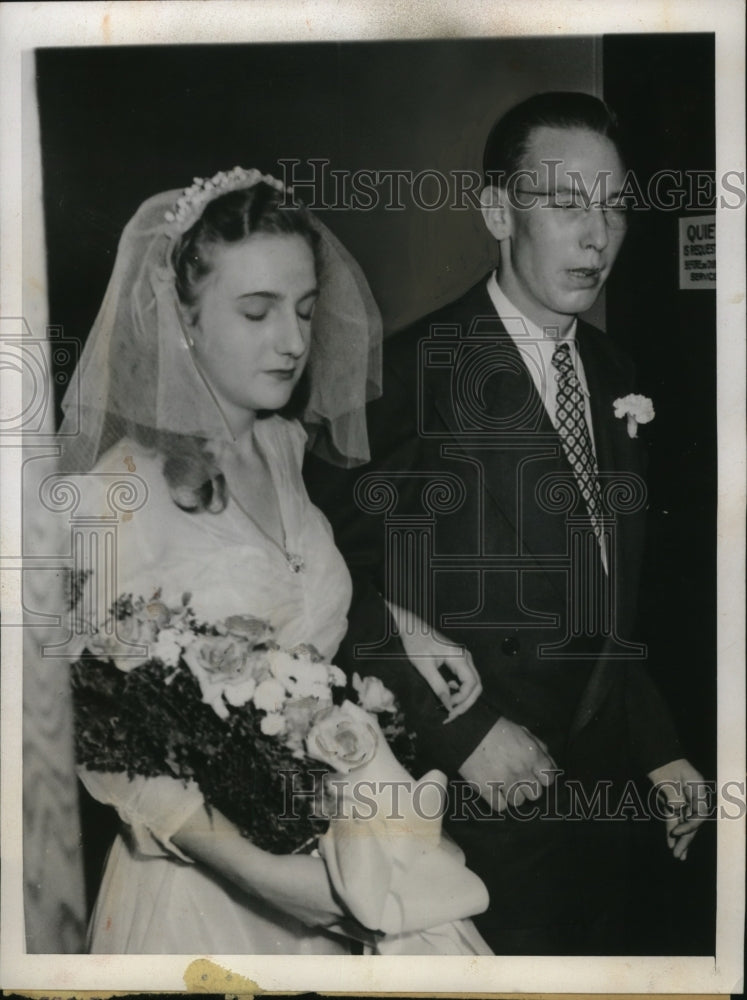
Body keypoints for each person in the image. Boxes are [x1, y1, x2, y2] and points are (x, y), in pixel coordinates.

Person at [304, 92, 707, 954]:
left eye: (613, 206)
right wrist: (464, 731)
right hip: (469, 817)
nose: (596, 236)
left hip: (602, 812)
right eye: (565, 204)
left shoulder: (612, 368)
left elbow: (603, 596)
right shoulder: (403, 376)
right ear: (497, 211)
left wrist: (659, 747)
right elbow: (319, 585)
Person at [57, 168, 485, 954]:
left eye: (304, 310)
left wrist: (403, 626)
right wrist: (262, 874)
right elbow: (97, 730)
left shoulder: (286, 448)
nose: (292, 341)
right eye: (256, 311)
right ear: (181, 318)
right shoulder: (117, 491)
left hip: (333, 842)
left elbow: (288, 596)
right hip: (207, 890)